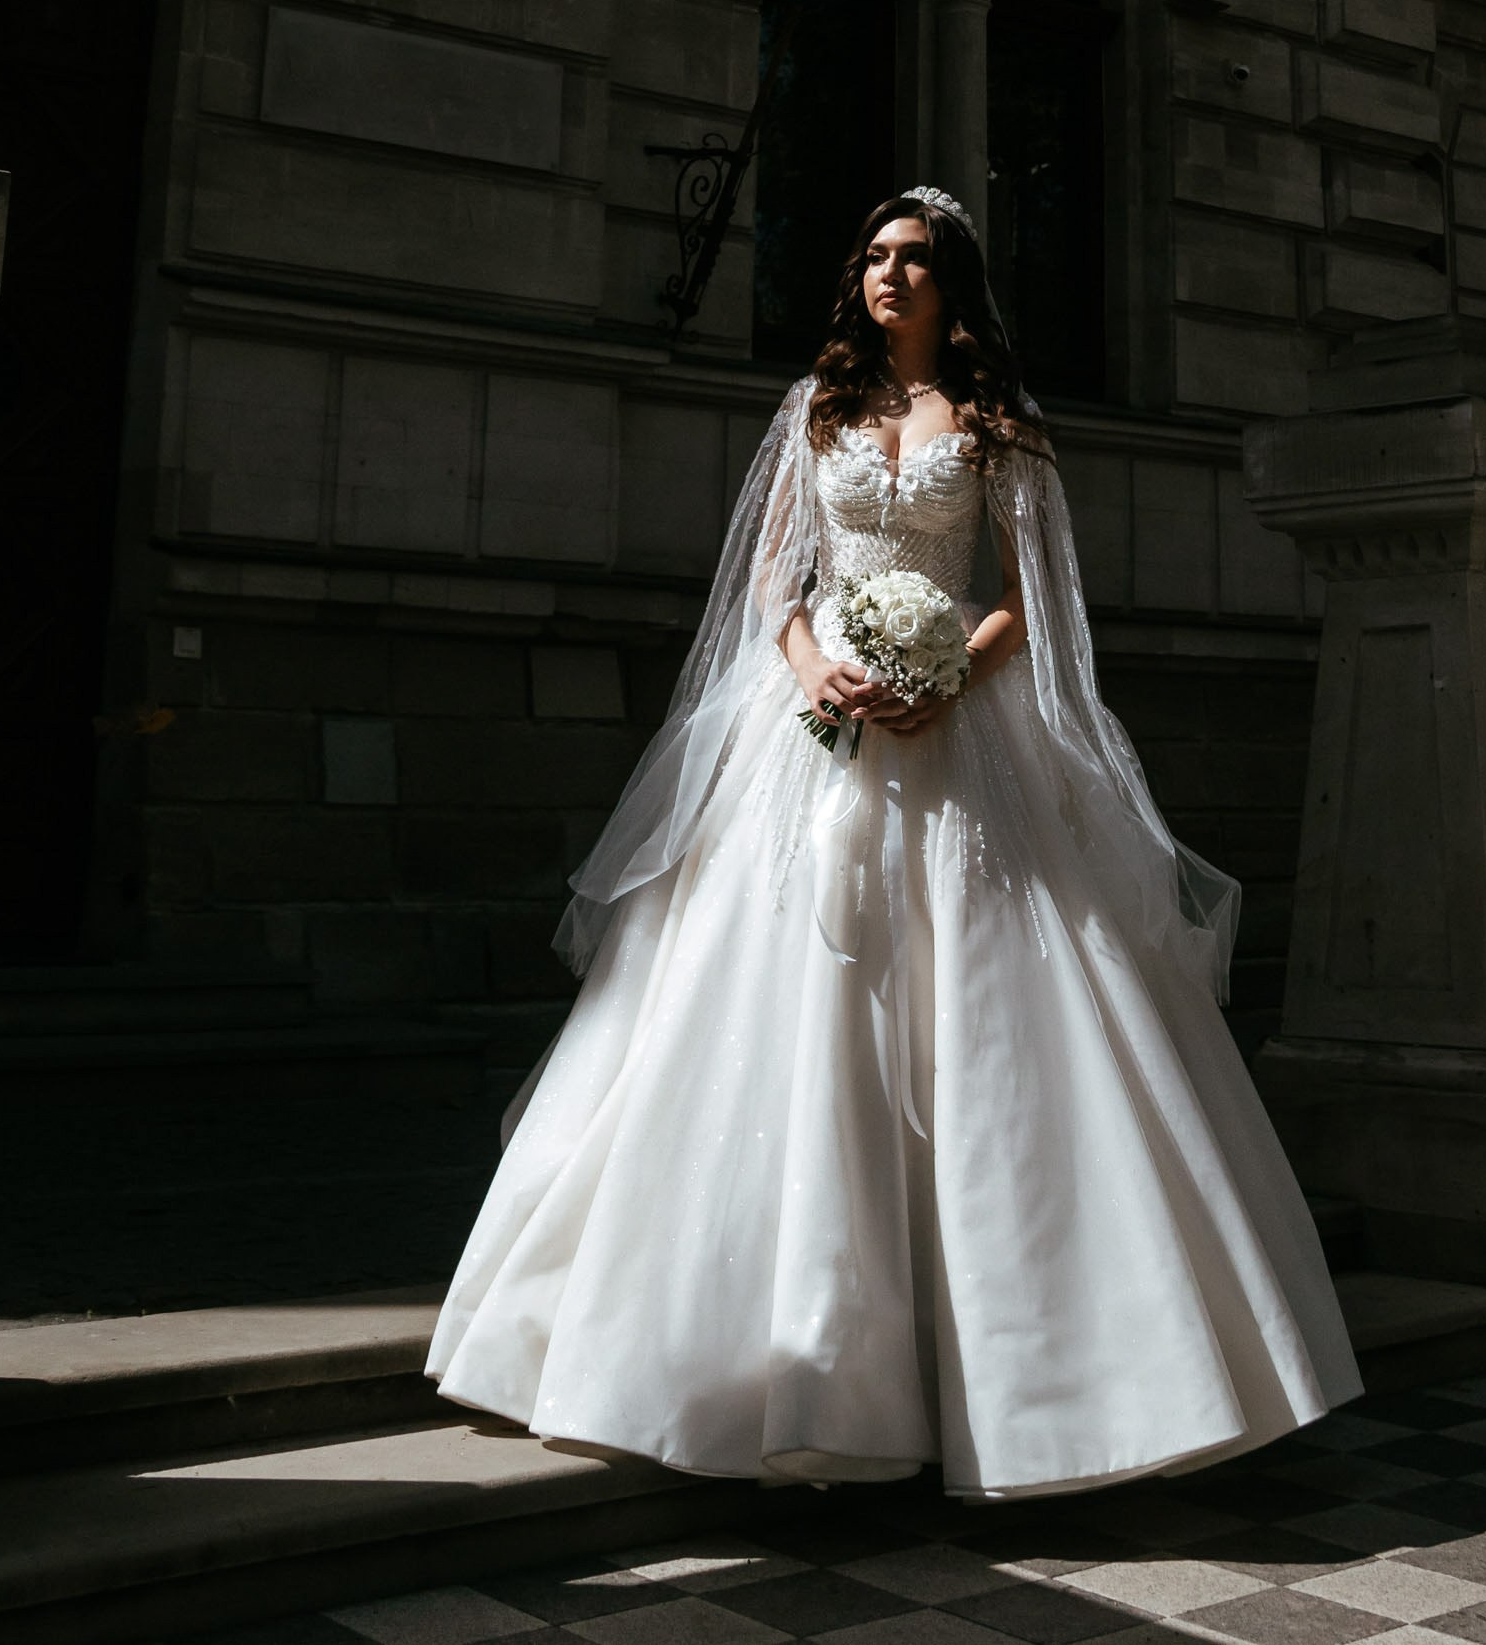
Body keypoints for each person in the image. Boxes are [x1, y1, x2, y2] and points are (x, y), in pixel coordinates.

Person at [428, 187, 1359, 1496]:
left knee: (992, 1002)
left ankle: (1035, 1376)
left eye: (913, 260)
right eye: (869, 257)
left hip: (961, 732)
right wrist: (813, 670)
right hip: (811, 729)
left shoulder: (998, 430)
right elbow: (772, 580)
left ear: (954, 284)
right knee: (772, 995)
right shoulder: (816, 412)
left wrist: (942, 679)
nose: (887, 277)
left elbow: (1033, 600)